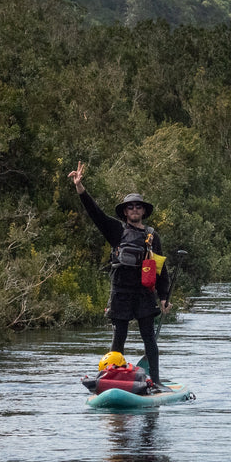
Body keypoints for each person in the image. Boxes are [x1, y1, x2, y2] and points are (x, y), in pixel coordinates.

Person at [69, 162, 172, 387]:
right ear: (125, 211)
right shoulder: (116, 231)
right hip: (121, 293)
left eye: (138, 206)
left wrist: (164, 297)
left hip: (144, 294)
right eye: (130, 207)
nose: (134, 209)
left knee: (150, 341)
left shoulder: (153, 236)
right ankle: (113, 380)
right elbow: (95, 214)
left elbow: (161, 269)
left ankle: (154, 380)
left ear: (143, 211)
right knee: (118, 339)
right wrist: (80, 188)